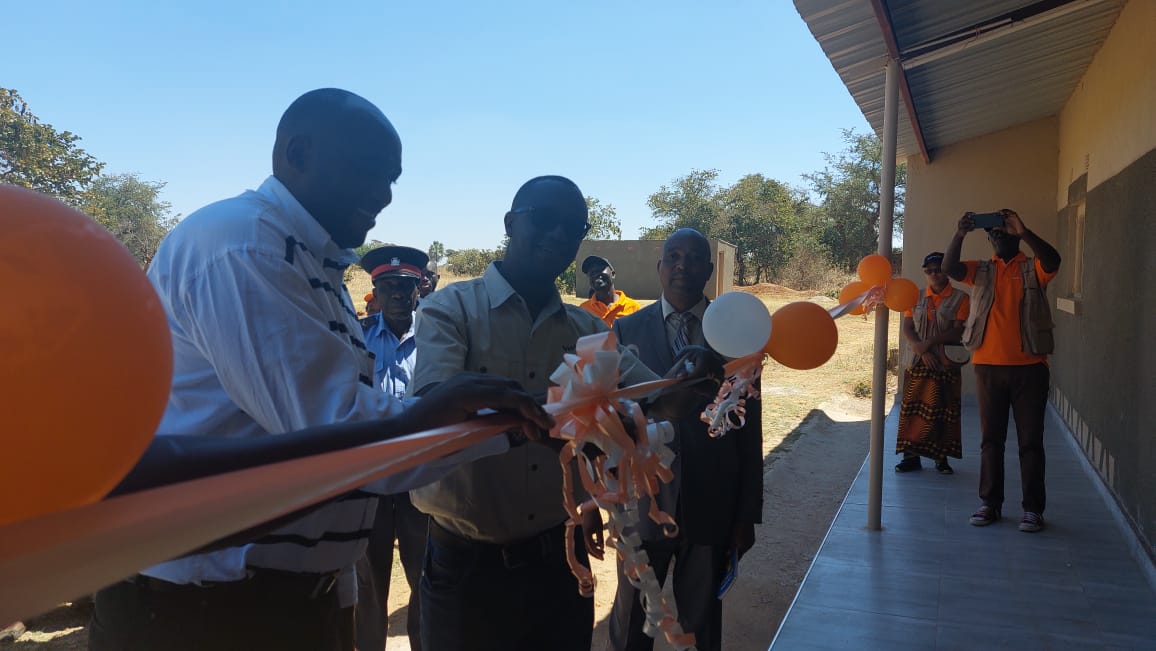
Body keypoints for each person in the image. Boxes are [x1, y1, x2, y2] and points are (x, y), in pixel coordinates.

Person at [87, 89, 551, 651]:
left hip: (278, 601)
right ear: (297, 153)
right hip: (207, 611)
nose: (383, 194)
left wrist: (502, 421)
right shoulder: (244, 246)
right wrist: (500, 423)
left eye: (393, 178)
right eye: (368, 171)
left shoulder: (306, 258)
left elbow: (350, 428)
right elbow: (340, 446)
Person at [410, 176, 720, 651]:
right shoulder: (450, 310)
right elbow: (441, 412)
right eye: (546, 219)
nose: (559, 234)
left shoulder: (587, 330)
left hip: (559, 560)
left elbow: (658, 402)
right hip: (465, 565)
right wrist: (553, 430)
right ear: (511, 223)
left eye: (573, 227)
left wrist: (692, 372)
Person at [607, 228, 763, 651]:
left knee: (701, 623)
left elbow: (750, 430)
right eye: (672, 256)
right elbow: (612, 420)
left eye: (693, 257)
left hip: (711, 503)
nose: (681, 265)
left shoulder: (738, 334)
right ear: (659, 267)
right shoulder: (626, 331)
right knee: (631, 619)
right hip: (645, 503)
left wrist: (746, 512)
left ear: (709, 270)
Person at [943, 209, 1061, 533]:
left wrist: (1025, 231)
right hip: (988, 370)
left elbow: (1053, 260)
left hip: (1030, 370)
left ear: (1013, 234)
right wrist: (959, 234)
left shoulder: (1032, 267)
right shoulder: (980, 271)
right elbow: (948, 268)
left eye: (1003, 232)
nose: (996, 237)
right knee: (990, 441)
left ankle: (1033, 510)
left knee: (1030, 443)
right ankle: (989, 504)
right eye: (992, 234)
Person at [354, 245, 431, 651]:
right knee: (367, 585)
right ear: (376, 292)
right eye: (390, 287)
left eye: (407, 286)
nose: (400, 295)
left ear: (419, 289)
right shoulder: (357, 336)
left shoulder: (438, 339)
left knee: (424, 579)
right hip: (371, 480)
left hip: (422, 478)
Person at [894, 251, 970, 475]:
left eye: (938, 269)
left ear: (946, 271)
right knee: (912, 410)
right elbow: (908, 327)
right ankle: (911, 457)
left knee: (943, 410)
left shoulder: (961, 298)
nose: (934, 274)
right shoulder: (914, 296)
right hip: (918, 361)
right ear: (925, 273)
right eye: (929, 271)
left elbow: (959, 330)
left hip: (945, 362)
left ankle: (941, 458)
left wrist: (928, 343)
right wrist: (920, 348)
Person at [579, 254, 642, 327]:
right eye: (591, 273)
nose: (596, 274)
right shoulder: (584, 310)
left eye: (600, 269)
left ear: (613, 274)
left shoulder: (633, 307)